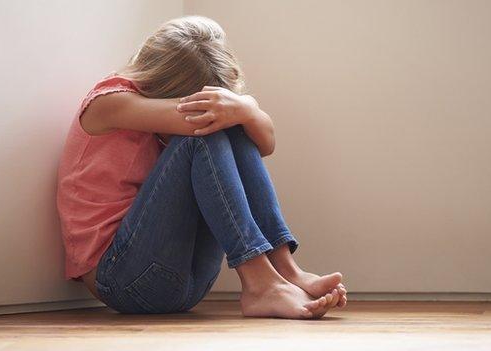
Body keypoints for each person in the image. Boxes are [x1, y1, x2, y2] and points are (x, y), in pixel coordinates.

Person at [56, 16, 347, 319]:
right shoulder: (110, 103)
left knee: (235, 126)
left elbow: (266, 143)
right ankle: (261, 284)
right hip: (122, 278)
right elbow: (210, 125)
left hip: (187, 278)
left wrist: (245, 109)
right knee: (203, 135)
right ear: (163, 89)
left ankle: (284, 270)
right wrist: (244, 104)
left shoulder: (157, 108)